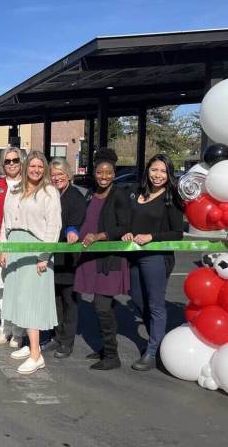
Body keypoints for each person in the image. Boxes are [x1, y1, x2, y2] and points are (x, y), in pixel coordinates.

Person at [0, 151, 62, 374]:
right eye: (32, 166)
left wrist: (44, 256)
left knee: (32, 301)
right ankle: (29, 346)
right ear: (26, 167)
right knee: (19, 299)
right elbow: (6, 221)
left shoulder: (49, 192)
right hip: (15, 247)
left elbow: (54, 227)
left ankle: (36, 355)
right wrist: (3, 249)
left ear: (44, 169)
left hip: (35, 250)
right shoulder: (15, 190)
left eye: (40, 166)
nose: (35, 170)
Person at [123, 153, 184, 371]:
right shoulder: (137, 193)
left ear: (169, 174)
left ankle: (151, 351)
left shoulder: (171, 198)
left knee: (156, 305)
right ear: (147, 170)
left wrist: (152, 237)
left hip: (156, 257)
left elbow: (178, 233)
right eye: (154, 170)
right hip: (135, 256)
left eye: (163, 171)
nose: (158, 175)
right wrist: (126, 232)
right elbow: (129, 221)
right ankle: (159, 341)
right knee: (138, 301)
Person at [74, 148, 131, 371]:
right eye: (100, 172)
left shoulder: (120, 194)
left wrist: (99, 236)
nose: (104, 176)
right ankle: (105, 349)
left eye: (108, 173)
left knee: (102, 306)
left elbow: (124, 225)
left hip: (109, 259)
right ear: (94, 173)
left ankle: (112, 355)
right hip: (92, 259)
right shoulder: (91, 194)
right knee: (103, 307)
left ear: (114, 174)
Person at [40, 158, 86, 358]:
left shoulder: (75, 196)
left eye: (61, 174)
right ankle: (56, 336)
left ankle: (67, 341)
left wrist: (72, 230)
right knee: (55, 299)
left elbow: (76, 220)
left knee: (69, 300)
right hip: (51, 255)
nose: (57, 177)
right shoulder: (49, 195)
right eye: (53, 174)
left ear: (68, 175)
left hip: (69, 257)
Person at [0, 147, 26, 348]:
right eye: (7, 161)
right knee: (2, 287)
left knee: (19, 289)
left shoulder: (29, 184)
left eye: (15, 160)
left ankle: (18, 333)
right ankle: (5, 328)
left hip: (22, 244)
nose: (11, 164)